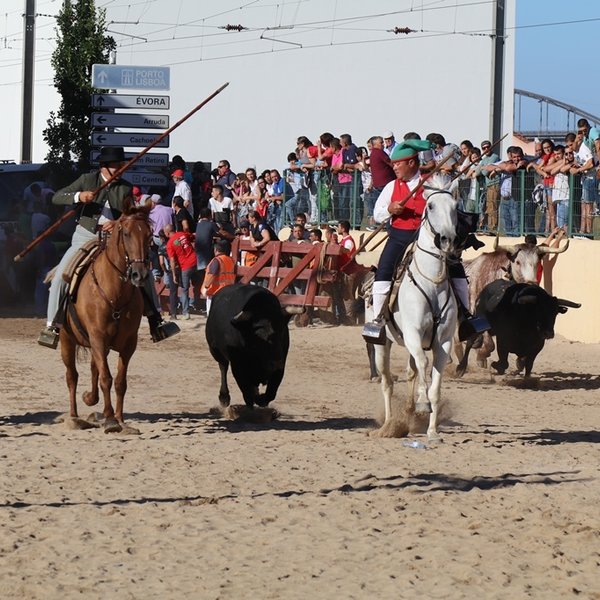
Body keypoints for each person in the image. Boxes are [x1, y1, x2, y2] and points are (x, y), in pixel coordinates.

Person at [37, 146, 179, 348]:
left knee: (142, 272)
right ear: (105, 167)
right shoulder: (87, 180)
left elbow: (129, 214)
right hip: (85, 237)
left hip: (114, 239)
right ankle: (53, 326)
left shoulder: (125, 188)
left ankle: (156, 320)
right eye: (116, 165)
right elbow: (57, 196)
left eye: (121, 165)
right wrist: (79, 196)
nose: (121, 168)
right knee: (60, 276)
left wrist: (119, 221)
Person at [362, 139, 486, 339]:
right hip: (400, 237)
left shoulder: (433, 183)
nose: (394, 168)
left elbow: (446, 208)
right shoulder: (392, 186)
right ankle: (378, 319)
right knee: (384, 270)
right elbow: (377, 214)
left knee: (457, 270)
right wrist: (390, 209)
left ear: (411, 163)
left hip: (428, 239)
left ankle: (466, 315)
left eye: (397, 164)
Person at [165, 224, 200, 320]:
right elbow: (192, 236)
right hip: (196, 261)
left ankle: (186, 312)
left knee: (184, 290)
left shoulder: (170, 244)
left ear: (167, 233)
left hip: (185, 266)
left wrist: (173, 274)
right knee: (197, 283)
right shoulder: (181, 234)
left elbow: (172, 260)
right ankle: (198, 304)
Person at [201, 239, 236, 315]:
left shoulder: (216, 260)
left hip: (215, 293)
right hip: (228, 291)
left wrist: (205, 287)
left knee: (212, 317)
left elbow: (212, 274)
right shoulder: (230, 260)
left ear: (215, 249)